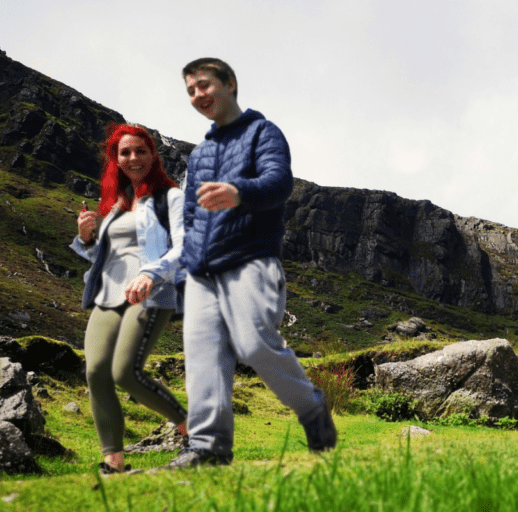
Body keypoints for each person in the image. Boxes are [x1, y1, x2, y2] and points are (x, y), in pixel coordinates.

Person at [164, 57, 335, 469]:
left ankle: (312, 409)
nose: (197, 96)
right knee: (203, 354)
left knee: (253, 343)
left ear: (230, 83)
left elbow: (279, 184)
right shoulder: (201, 153)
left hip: (250, 259)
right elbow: (188, 219)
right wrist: (184, 275)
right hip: (203, 271)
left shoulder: (264, 132)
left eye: (203, 85)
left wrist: (239, 192)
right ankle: (209, 448)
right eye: (190, 91)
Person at [71, 123, 188, 474]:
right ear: (116, 159)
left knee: (125, 371)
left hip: (151, 294)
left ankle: (191, 428)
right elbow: (106, 257)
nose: (133, 157)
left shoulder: (171, 198)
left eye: (140, 150)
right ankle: (114, 462)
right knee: (96, 372)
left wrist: (151, 273)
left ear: (153, 155)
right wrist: (87, 238)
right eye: (125, 152)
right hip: (108, 294)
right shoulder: (116, 204)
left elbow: (185, 247)